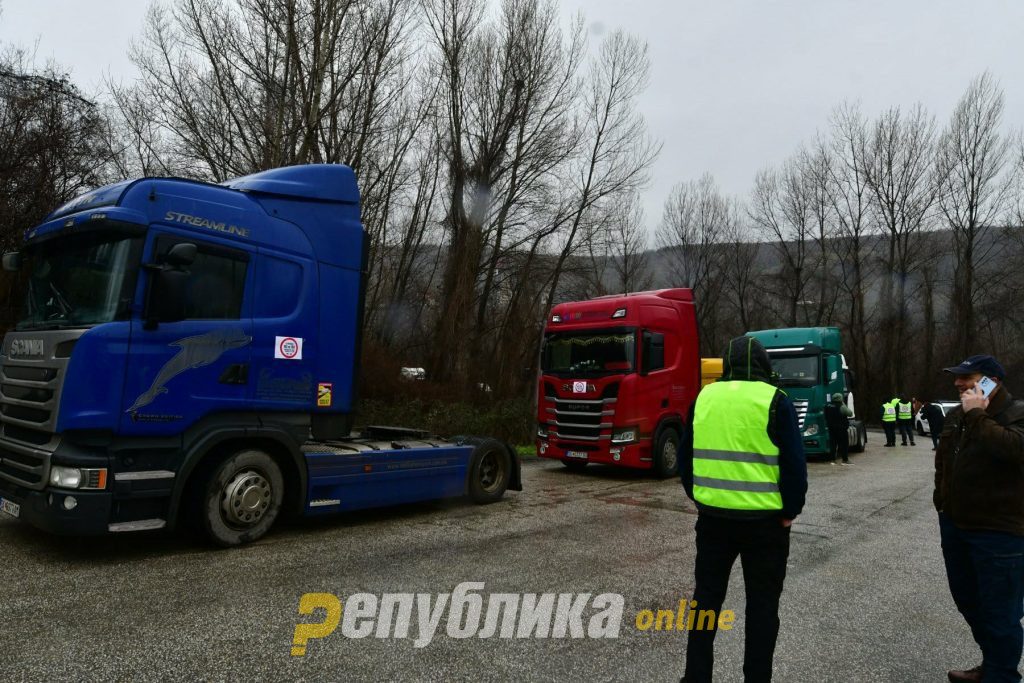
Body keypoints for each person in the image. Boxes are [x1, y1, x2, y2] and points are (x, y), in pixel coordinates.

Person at [679, 336, 807, 683]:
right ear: (765, 367)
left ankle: (696, 676)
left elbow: (685, 457)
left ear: (727, 365)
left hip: (713, 521)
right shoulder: (776, 400)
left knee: (705, 602)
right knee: (762, 608)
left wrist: (700, 498)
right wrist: (789, 511)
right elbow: (794, 464)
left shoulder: (704, 397)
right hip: (765, 526)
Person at [934, 354, 1024, 683]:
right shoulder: (958, 415)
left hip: (999, 532)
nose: (958, 383)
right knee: (969, 602)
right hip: (956, 526)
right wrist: (941, 502)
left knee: (1001, 613)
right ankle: (993, 665)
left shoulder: (1017, 413)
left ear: (991, 381)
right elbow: (943, 461)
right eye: (957, 377)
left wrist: (977, 416)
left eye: (967, 377)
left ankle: (1001, 677)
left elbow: (1015, 451)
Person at [825, 392, 853, 465]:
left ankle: (832, 460)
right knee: (844, 444)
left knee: (833, 444)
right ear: (841, 399)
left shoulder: (827, 406)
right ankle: (845, 460)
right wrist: (844, 404)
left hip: (831, 428)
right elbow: (850, 413)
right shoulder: (842, 406)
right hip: (841, 429)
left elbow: (826, 416)